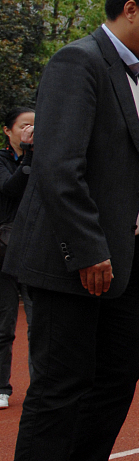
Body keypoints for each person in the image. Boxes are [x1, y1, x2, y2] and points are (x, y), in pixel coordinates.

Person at [3, 0, 139, 461]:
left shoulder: (132, 75)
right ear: (131, 9)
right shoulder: (77, 63)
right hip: (71, 259)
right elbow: (58, 167)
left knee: (118, 369)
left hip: (116, 260)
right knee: (61, 379)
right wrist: (87, 248)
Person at [0, 107, 36, 409]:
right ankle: (1, 386)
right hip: (3, 252)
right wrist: (27, 155)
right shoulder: (3, 161)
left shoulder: (46, 157)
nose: (32, 130)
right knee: (4, 324)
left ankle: (42, 386)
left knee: (40, 323)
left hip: (35, 248)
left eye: (37, 126)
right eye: (26, 125)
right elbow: (9, 190)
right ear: (8, 131)